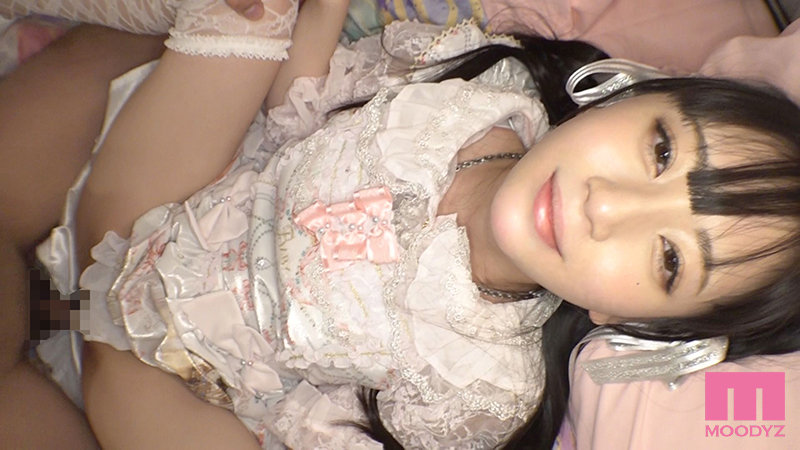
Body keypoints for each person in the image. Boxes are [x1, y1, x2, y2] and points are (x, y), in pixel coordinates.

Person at [1, 1, 800, 449]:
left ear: (629, 320)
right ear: (627, 93)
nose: (608, 205)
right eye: (659, 151)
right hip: (163, 186)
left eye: (667, 260)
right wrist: (307, 19)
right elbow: (301, 112)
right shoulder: (484, 90)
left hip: (159, 388)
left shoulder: (486, 382)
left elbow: (310, 427)